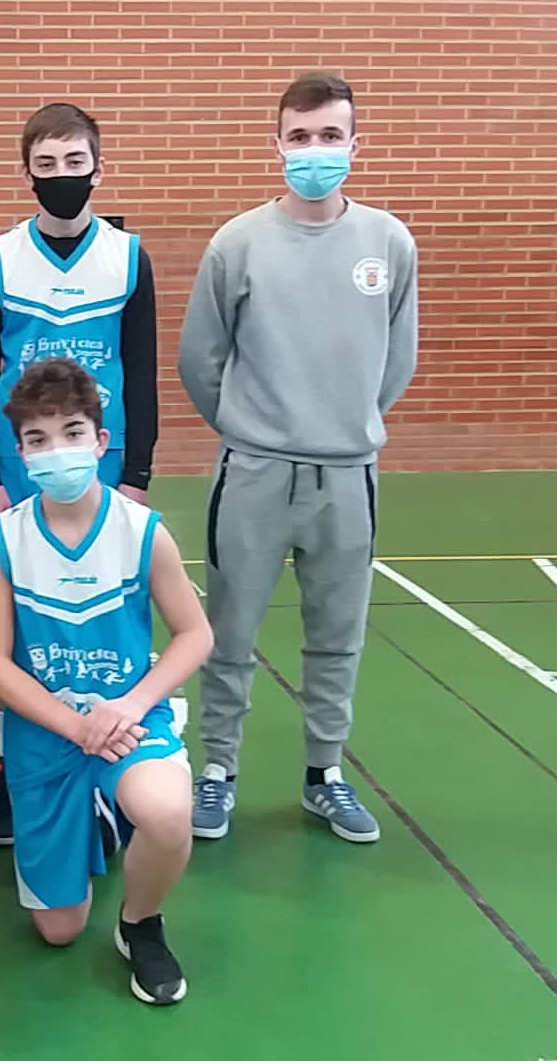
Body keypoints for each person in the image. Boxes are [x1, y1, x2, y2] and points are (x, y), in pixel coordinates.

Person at [177, 71, 419, 844]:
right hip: (252, 473)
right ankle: (217, 770)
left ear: (356, 144)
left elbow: (398, 359)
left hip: (348, 476)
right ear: (277, 145)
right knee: (229, 632)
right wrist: (253, 427)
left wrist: (345, 423)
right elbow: (199, 360)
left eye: (330, 136)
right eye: (300, 136)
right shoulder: (237, 243)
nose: (316, 150)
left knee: (338, 634)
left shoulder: (389, 243)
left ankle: (325, 775)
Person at [0, 358, 213, 1005]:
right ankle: (101, 819)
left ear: (101, 440)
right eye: (39, 439)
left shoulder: (143, 531)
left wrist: (131, 705)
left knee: (167, 812)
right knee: (58, 929)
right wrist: (75, 727)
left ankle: (140, 923)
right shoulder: (2, 541)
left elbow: (195, 635)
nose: (58, 450)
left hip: (127, 720)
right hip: (46, 732)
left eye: (72, 432)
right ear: (22, 454)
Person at [0, 101, 161, 846]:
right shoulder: (0, 258)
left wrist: (136, 471)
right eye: (45, 165)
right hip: (21, 467)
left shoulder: (127, 256)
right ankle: (13, 772)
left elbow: (140, 370)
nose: (61, 176)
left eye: (74, 163)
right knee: (19, 629)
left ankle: (112, 761)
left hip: (100, 465)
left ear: (98, 169)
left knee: (102, 616)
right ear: (27, 174)